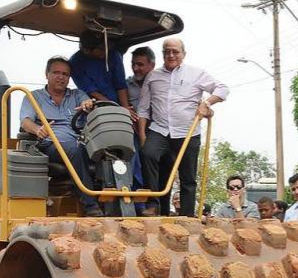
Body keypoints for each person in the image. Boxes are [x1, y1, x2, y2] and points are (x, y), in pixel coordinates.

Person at [138, 38, 229, 217]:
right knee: (148, 154)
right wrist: (142, 135)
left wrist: (207, 103)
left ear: (183, 54)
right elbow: (143, 108)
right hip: (160, 130)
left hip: (187, 131)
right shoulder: (153, 76)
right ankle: (154, 206)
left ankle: (187, 216)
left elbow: (222, 88)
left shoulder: (196, 73)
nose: (171, 55)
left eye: (175, 51)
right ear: (162, 54)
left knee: (187, 177)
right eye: (167, 51)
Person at [19, 56, 102, 217]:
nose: (61, 77)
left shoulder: (77, 95)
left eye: (65, 74)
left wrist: (88, 105)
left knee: (109, 149)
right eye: (56, 72)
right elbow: (25, 121)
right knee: (74, 148)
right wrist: (37, 129)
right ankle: (91, 205)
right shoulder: (33, 97)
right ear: (47, 74)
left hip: (80, 141)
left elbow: (88, 102)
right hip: (48, 144)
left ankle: (118, 202)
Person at [70, 30, 132, 112]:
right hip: (96, 105)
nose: (106, 51)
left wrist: (125, 109)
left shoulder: (113, 54)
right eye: (102, 49)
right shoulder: (75, 62)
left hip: (119, 102)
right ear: (86, 50)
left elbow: (120, 85)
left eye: (106, 47)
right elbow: (91, 91)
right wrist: (114, 108)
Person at [125, 47, 156, 203]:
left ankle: (157, 204)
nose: (136, 68)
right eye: (133, 64)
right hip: (134, 133)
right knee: (133, 158)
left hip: (158, 133)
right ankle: (135, 202)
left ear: (152, 65)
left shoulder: (161, 83)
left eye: (140, 64)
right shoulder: (126, 86)